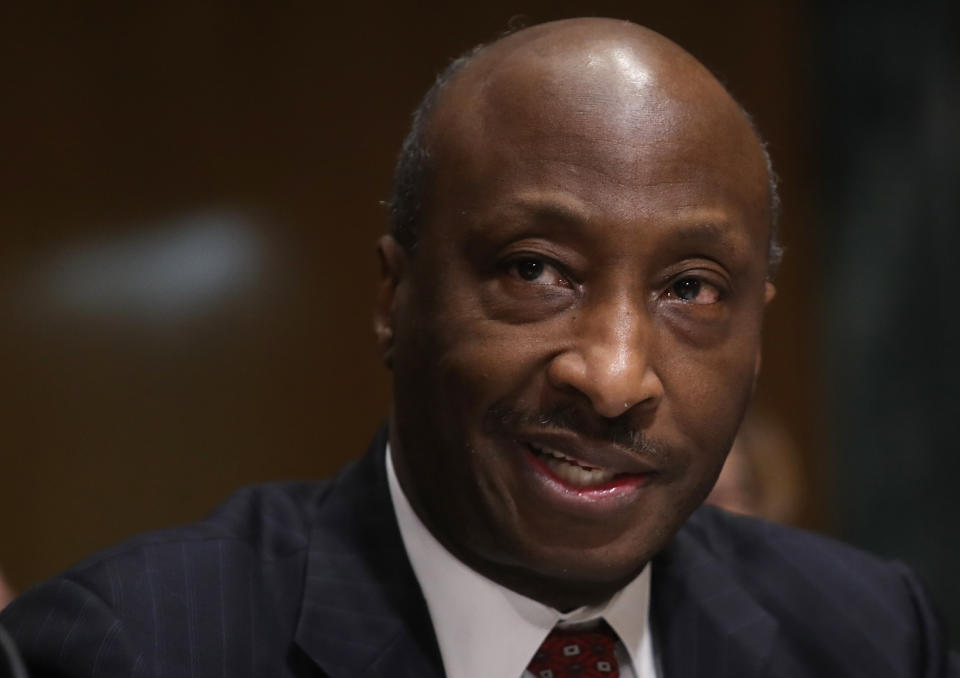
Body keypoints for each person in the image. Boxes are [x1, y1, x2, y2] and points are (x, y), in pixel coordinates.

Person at [1, 17, 956, 678]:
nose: (615, 376)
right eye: (537, 271)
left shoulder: (869, 637)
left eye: (691, 289)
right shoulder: (134, 649)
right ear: (394, 295)